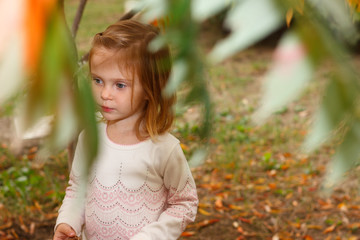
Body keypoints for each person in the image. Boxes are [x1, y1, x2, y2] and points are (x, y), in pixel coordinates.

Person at [53, 20, 198, 240]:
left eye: (120, 85)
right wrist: (67, 221)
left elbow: (184, 203)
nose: (105, 94)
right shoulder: (90, 137)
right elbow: (77, 189)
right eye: (98, 80)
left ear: (150, 88)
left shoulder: (164, 149)